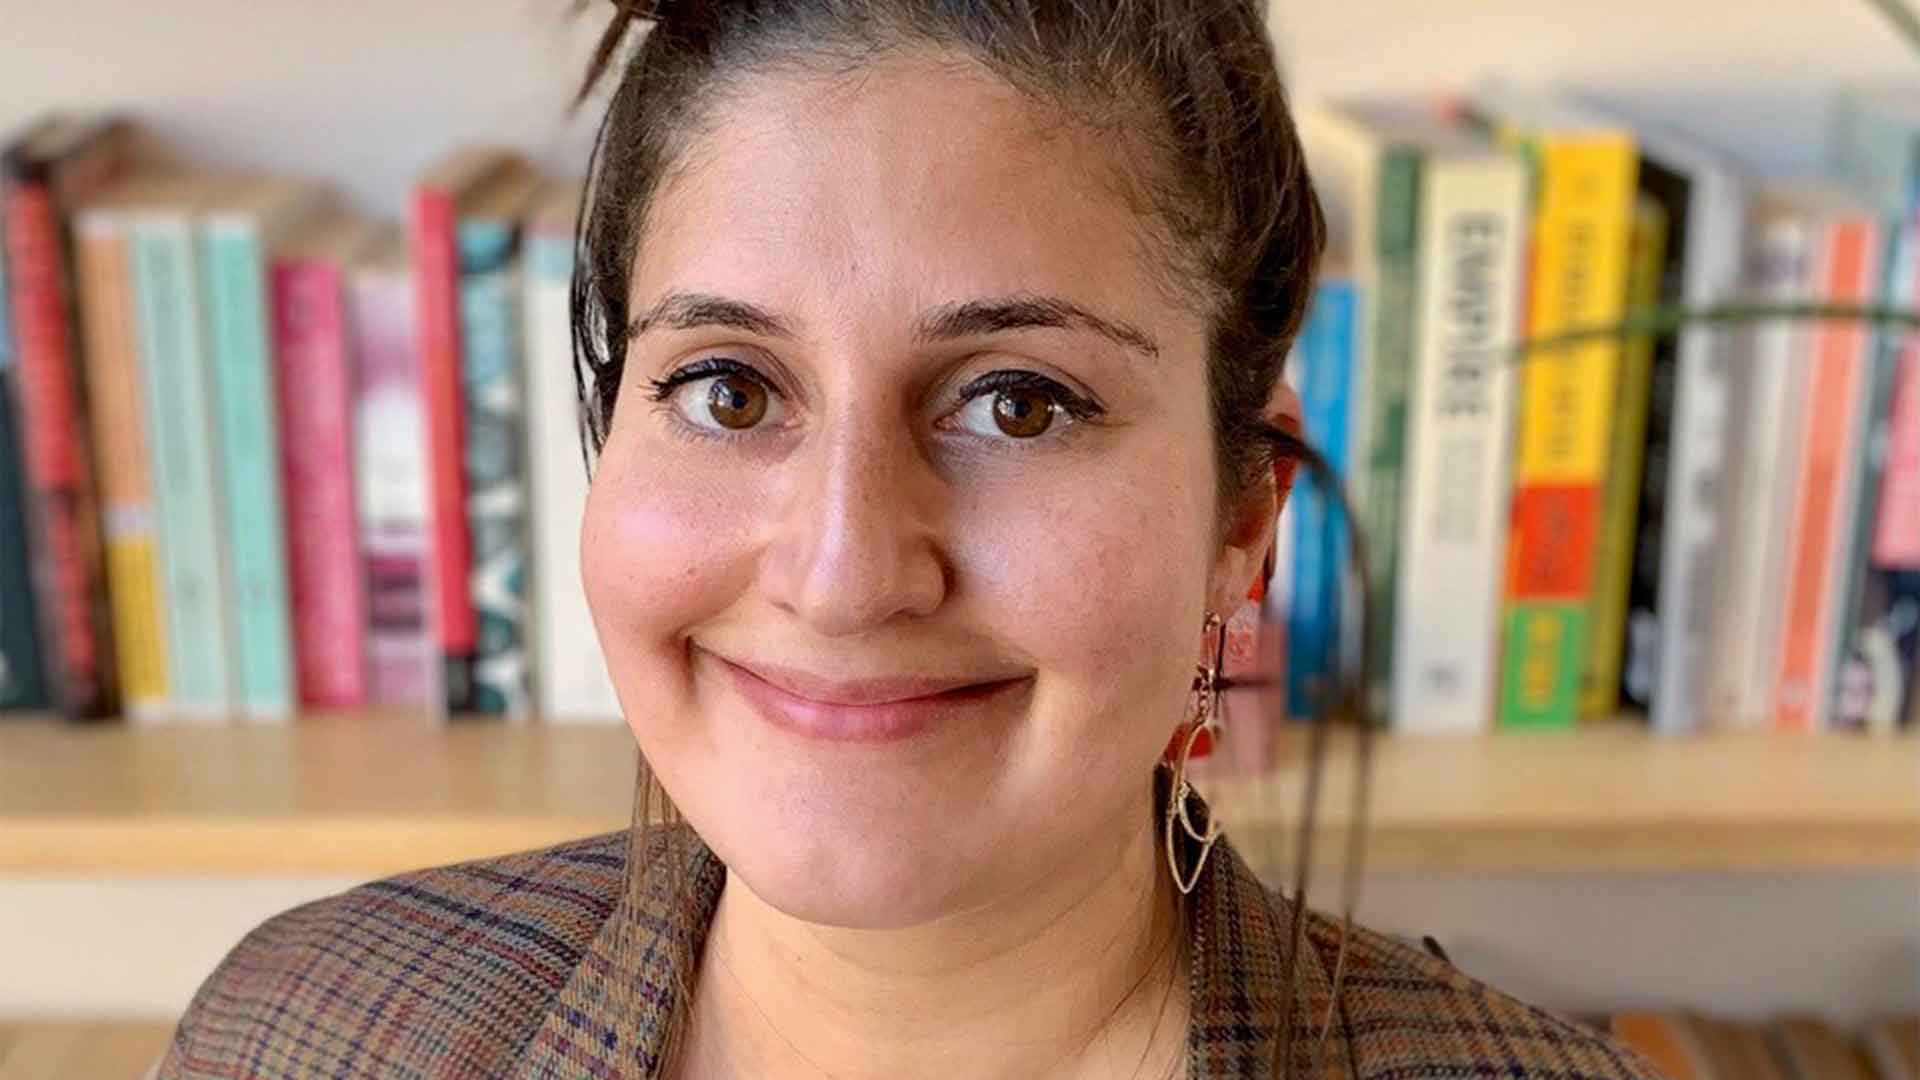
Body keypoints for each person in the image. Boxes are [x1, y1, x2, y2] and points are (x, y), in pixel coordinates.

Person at [157, 1, 1663, 1076]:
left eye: (1018, 403)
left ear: (1242, 516)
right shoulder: (296, 1037)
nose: (842, 574)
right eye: (730, 389)